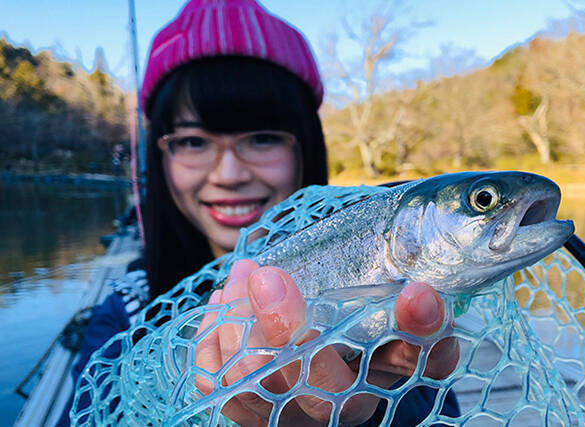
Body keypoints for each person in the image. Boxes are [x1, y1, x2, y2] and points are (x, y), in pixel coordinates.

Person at [59, 0, 459, 425]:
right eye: (194, 142)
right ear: (162, 156)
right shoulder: (125, 317)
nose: (229, 174)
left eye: (263, 139)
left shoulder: (401, 314)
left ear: (306, 147)